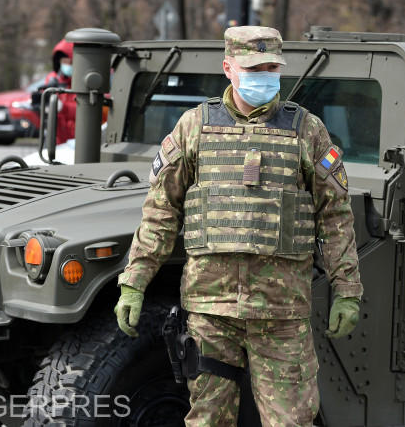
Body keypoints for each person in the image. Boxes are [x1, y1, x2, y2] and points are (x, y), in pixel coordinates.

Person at [115, 26, 363, 426]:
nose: (263, 75)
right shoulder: (194, 126)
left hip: (281, 314)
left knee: (293, 421)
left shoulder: (307, 130)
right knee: (208, 420)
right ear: (228, 68)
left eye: (271, 67)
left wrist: (347, 288)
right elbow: (161, 211)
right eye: (253, 67)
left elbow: (334, 215)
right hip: (211, 310)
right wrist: (134, 282)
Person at [42, 39, 76, 144]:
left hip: (75, 140)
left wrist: (63, 108)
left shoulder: (82, 82)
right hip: (56, 139)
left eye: (71, 62)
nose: (68, 65)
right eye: (65, 61)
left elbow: (86, 109)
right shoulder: (52, 78)